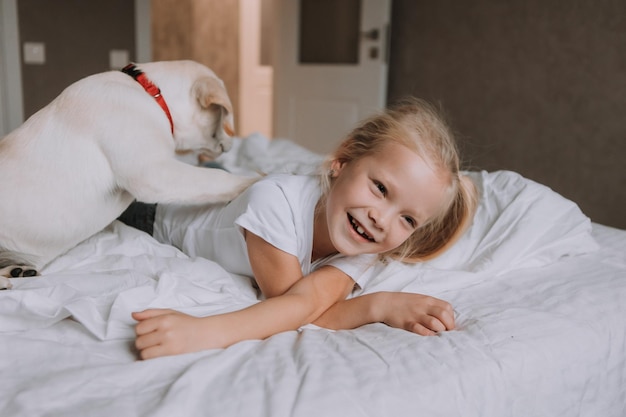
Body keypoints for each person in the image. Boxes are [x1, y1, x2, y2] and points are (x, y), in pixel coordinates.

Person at [124, 97, 476, 360]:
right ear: (342, 160)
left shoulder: (366, 240)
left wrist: (381, 305)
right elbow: (293, 306)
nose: (381, 220)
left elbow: (310, 304)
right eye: (380, 188)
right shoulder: (274, 203)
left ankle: (214, 166)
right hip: (154, 212)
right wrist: (200, 332)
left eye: (408, 219)